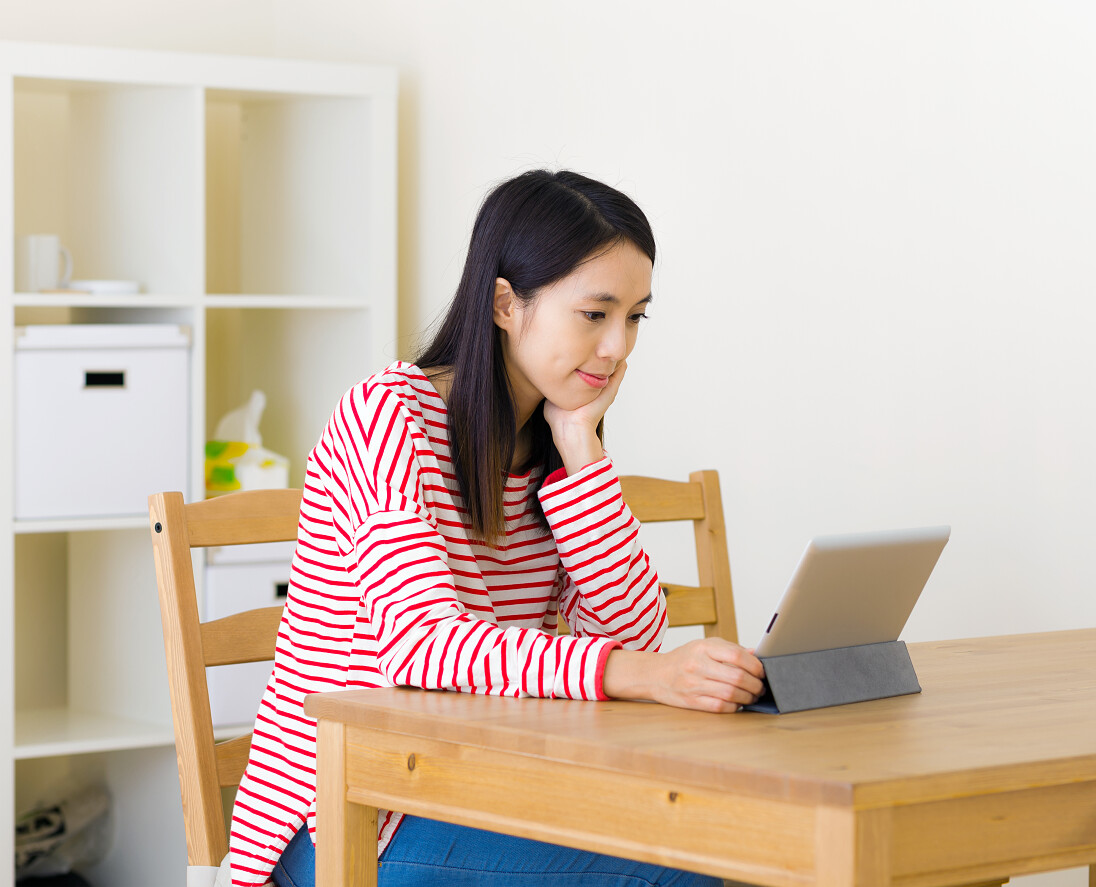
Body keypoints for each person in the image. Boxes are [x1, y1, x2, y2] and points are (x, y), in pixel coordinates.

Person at [226, 169, 765, 887]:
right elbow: (423, 646)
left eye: (635, 317)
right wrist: (641, 674)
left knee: (752, 849)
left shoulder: (553, 439)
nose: (617, 348)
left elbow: (634, 638)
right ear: (507, 303)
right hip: (351, 818)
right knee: (696, 875)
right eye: (594, 314)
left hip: (487, 791)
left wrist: (580, 444)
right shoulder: (383, 419)